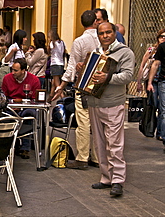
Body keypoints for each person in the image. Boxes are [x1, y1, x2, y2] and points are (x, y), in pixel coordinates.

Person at [87, 22, 135, 196]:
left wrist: (107, 78)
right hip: (94, 102)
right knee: (99, 144)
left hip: (113, 103)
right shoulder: (96, 53)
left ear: (114, 33)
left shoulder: (125, 52)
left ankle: (117, 180)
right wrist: (81, 70)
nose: (105, 36)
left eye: (108, 32)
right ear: (98, 35)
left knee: (115, 144)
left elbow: (128, 76)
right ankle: (106, 178)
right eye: (101, 33)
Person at [53, 10, 100, 169]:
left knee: (84, 122)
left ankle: (82, 158)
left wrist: (61, 86)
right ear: (95, 22)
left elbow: (72, 67)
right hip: (100, 85)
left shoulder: (79, 41)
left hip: (84, 85)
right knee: (97, 122)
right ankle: (96, 157)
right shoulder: (102, 39)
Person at [1, 58, 41, 159]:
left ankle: (25, 148)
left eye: (15, 70)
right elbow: (3, 96)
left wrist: (23, 105)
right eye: (12, 69)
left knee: (29, 114)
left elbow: (35, 100)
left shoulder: (34, 80)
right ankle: (7, 146)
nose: (12, 72)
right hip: (11, 107)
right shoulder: (7, 78)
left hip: (27, 107)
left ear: (23, 70)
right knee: (5, 115)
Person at [137, 29, 165, 140]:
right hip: (153, 81)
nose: (163, 38)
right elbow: (142, 65)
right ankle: (150, 127)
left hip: (161, 81)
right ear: (157, 38)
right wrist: (139, 81)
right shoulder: (151, 50)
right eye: (161, 36)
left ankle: (160, 132)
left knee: (162, 108)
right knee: (154, 105)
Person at [148, 41, 165, 151]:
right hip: (163, 81)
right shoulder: (163, 47)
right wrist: (149, 82)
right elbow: (155, 63)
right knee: (164, 111)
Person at [47, 30, 65, 102]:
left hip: (54, 63)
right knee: (54, 82)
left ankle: (63, 98)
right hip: (61, 63)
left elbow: (48, 52)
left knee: (57, 84)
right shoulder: (62, 42)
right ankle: (50, 97)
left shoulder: (52, 43)